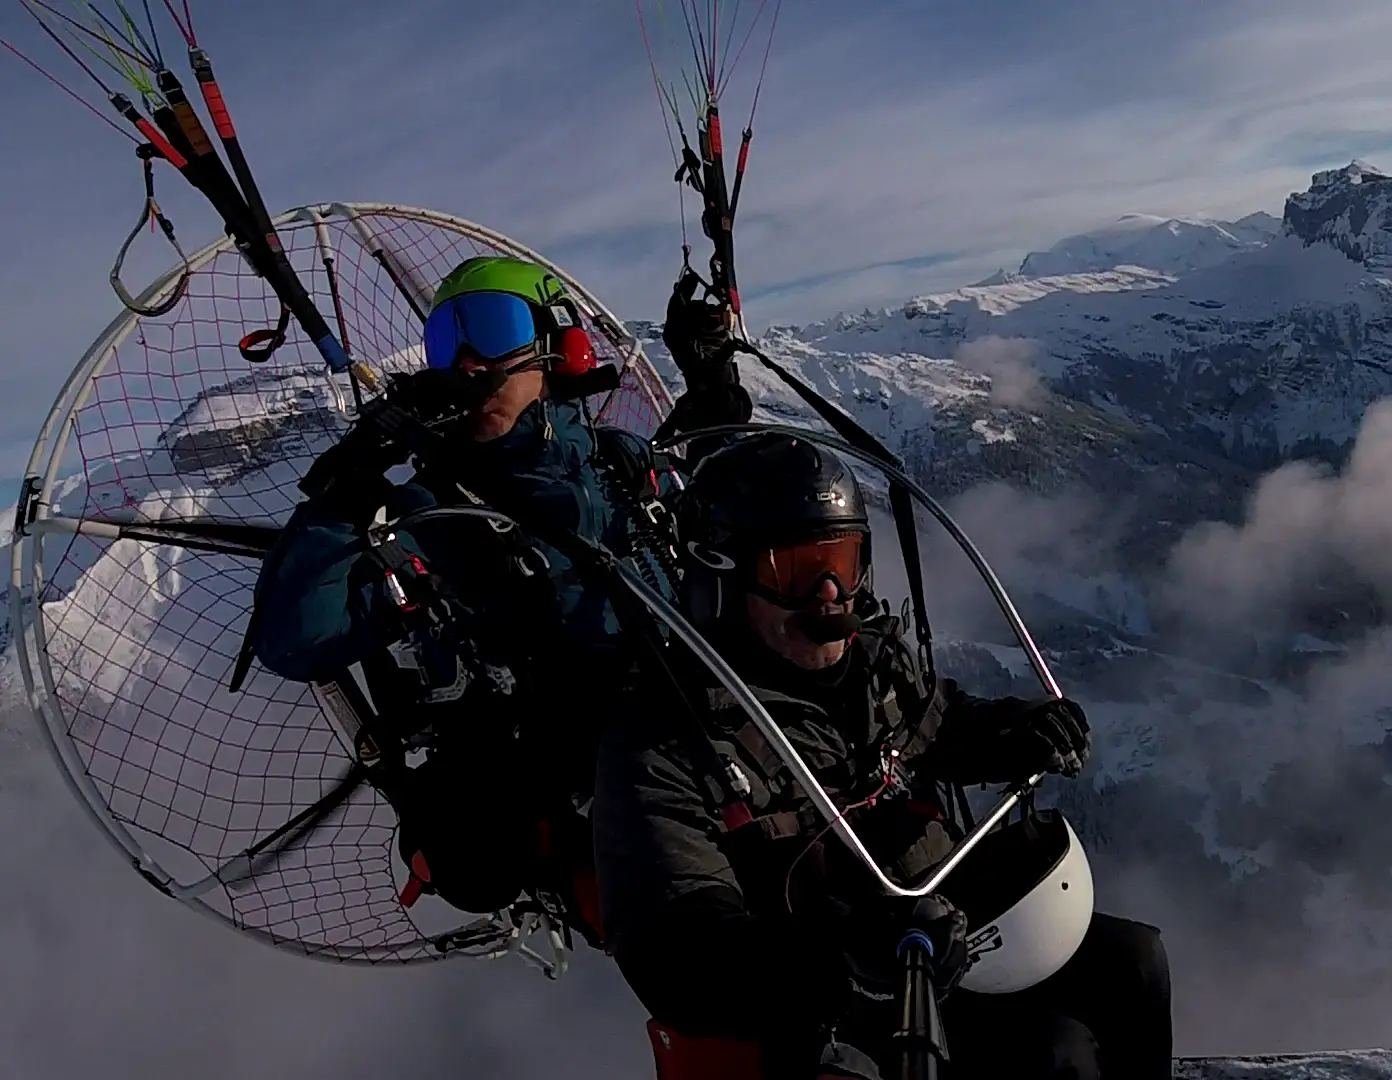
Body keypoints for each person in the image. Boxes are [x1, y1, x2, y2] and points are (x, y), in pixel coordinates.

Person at [592, 427, 1174, 1080]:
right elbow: (675, 950)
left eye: (841, 565)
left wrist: (1020, 730)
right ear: (722, 582)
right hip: (827, 1004)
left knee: (1133, 962)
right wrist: (837, 954)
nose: (830, 599)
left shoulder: (869, 668)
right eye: (799, 573)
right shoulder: (666, 744)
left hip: (941, 927)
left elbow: (943, 725)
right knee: (1051, 1054)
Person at [249, 255, 744, 932]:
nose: (471, 363)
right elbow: (296, 637)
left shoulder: (618, 462)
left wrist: (712, 377)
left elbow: (720, 493)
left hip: (728, 751)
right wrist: (349, 481)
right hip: (612, 815)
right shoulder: (433, 516)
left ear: (557, 345)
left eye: (491, 329)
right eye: (447, 343)